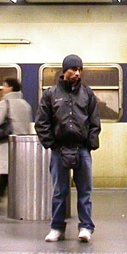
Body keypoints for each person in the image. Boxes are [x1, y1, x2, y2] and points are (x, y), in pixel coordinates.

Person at [36, 54, 101, 242]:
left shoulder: (88, 94)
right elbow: (42, 123)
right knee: (59, 191)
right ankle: (57, 228)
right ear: (64, 71)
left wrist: (90, 143)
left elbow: (94, 121)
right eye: (73, 70)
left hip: (81, 149)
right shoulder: (50, 95)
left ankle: (86, 227)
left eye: (80, 70)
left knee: (85, 191)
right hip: (60, 149)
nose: (77, 74)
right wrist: (52, 144)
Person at [0, 77, 33, 202]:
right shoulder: (25, 104)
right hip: (23, 141)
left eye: (5, 86)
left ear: (11, 88)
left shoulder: (5, 103)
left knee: (5, 168)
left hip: (8, 141)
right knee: (18, 169)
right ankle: (18, 193)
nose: (3, 89)